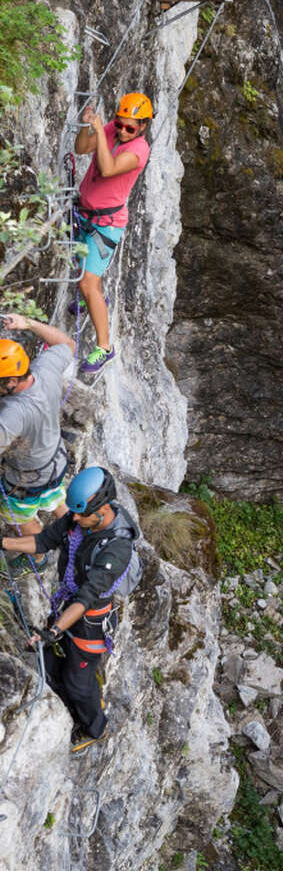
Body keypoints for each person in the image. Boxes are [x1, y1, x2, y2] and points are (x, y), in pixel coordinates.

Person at [1, 466, 141, 754]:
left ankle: (96, 728)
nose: (73, 518)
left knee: (77, 683)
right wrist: (3, 543)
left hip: (90, 621)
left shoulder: (117, 549)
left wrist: (54, 630)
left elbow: (87, 597)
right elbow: (43, 540)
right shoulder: (80, 519)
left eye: (81, 514)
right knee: (51, 665)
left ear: (102, 510)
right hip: (68, 606)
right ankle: (85, 692)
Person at [73, 92, 152, 376]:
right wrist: (88, 125)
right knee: (83, 276)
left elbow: (107, 169)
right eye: (119, 124)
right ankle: (93, 300)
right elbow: (81, 148)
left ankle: (105, 348)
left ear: (142, 126)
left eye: (129, 127)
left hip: (106, 225)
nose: (122, 131)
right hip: (86, 214)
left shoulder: (139, 150)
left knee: (88, 283)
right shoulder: (112, 130)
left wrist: (100, 130)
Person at [0, 314, 74, 572]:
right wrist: (28, 323)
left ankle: (39, 557)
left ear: (12, 381)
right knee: (54, 498)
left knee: (18, 518)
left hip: (27, 477)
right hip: (55, 460)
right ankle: (76, 534)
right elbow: (67, 345)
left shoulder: (13, 413)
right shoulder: (44, 369)